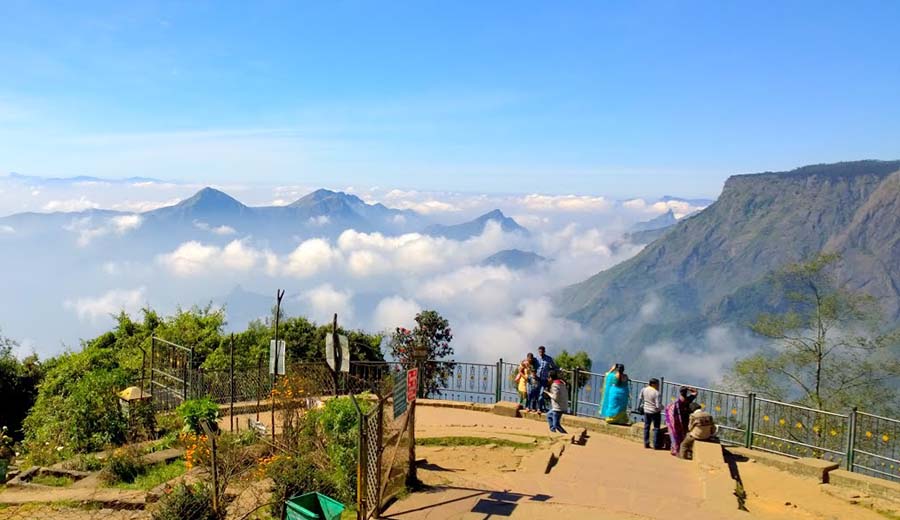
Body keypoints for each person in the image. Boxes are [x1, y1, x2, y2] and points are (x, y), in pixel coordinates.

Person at [665, 386, 698, 457]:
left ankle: (675, 450)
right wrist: (690, 389)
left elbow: (669, 410)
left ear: (680, 393)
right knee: (680, 436)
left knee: (675, 435)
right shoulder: (688, 400)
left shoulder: (676, 403)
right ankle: (678, 450)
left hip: (676, 422)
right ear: (686, 393)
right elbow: (695, 393)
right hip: (683, 421)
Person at [542, 369, 568, 433]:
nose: (548, 379)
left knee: (556, 424)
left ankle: (565, 435)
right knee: (548, 415)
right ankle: (553, 431)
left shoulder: (555, 385)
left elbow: (555, 397)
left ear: (551, 378)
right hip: (562, 405)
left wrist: (547, 393)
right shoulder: (562, 383)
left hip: (558, 408)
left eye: (548, 377)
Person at [640, 378, 662, 449]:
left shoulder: (644, 389)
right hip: (655, 412)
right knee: (656, 428)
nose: (659, 386)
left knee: (646, 427)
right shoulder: (656, 393)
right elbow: (658, 405)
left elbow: (640, 398)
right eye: (658, 384)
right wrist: (662, 407)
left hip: (646, 410)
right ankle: (656, 444)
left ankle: (646, 443)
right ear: (653, 384)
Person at [535, 346, 557, 412]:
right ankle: (537, 407)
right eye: (539, 352)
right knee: (536, 393)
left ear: (544, 351)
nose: (540, 353)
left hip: (544, 379)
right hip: (537, 379)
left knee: (541, 393)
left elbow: (554, 366)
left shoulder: (548, 359)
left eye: (542, 352)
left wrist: (558, 370)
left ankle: (539, 408)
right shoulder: (536, 359)